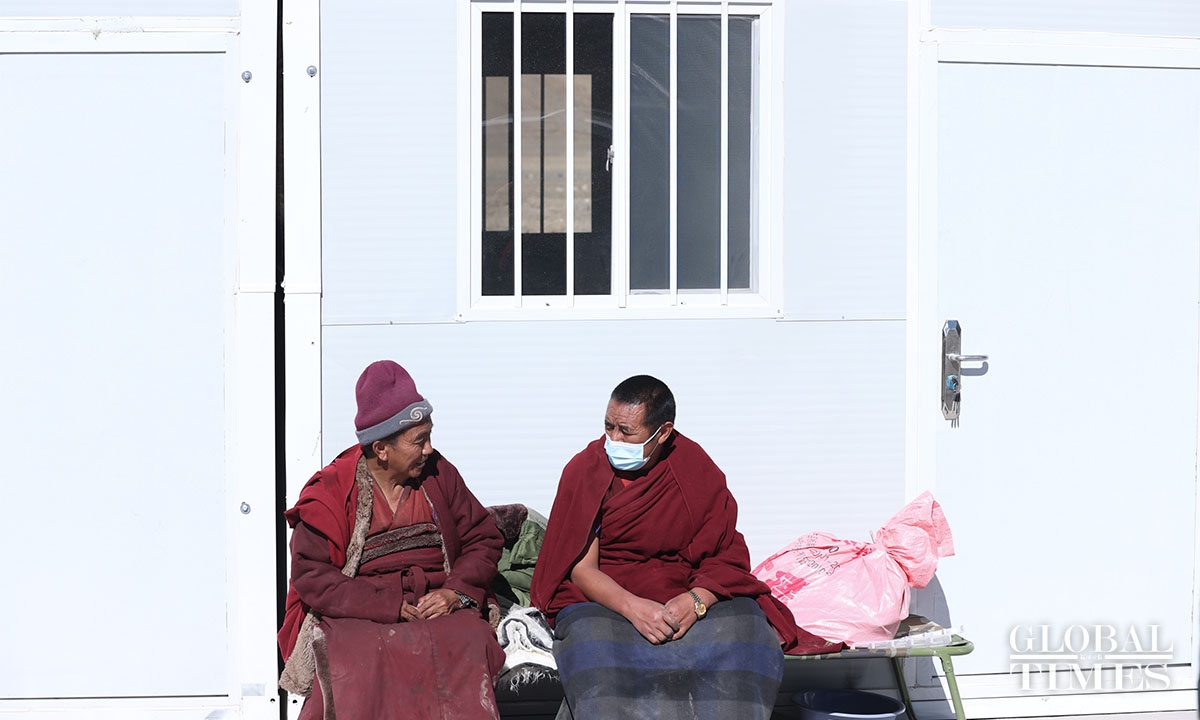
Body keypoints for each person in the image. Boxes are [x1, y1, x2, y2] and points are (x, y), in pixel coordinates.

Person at [530, 375, 834, 720]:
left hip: (683, 594)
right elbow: (581, 568)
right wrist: (633, 608)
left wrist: (697, 601)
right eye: (608, 427)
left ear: (663, 432)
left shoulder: (692, 466)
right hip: (609, 599)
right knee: (590, 643)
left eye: (626, 432)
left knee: (748, 627)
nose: (613, 440)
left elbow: (724, 552)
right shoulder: (585, 470)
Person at [278, 360, 505, 720]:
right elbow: (312, 577)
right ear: (381, 448)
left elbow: (483, 538)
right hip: (361, 611)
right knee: (349, 663)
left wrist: (454, 593)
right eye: (419, 441)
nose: (429, 449)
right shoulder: (331, 490)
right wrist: (386, 605)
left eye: (429, 436)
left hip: (436, 604)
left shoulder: (439, 474)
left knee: (470, 641)